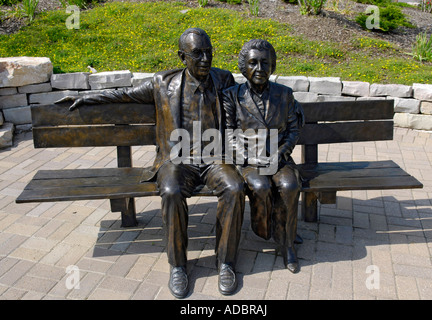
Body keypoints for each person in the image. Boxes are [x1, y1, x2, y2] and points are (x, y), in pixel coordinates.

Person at [60, 28, 245, 298]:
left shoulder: (223, 79)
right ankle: (178, 265)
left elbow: (248, 101)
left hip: (215, 159)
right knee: (170, 191)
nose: (205, 59)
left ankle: (226, 262)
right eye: (197, 54)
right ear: (182, 56)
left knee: (235, 188)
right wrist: (87, 97)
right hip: (177, 160)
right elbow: (125, 94)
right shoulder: (162, 82)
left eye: (209, 52)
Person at [222, 39, 305, 273]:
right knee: (259, 184)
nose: (259, 69)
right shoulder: (231, 96)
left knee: (289, 184)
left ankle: (287, 245)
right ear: (243, 66)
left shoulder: (284, 94)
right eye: (253, 63)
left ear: (273, 66)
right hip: (248, 159)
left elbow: (293, 130)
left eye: (265, 63)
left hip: (279, 158)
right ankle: (266, 229)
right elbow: (228, 133)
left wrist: (280, 155)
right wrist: (248, 159)